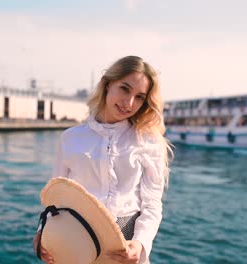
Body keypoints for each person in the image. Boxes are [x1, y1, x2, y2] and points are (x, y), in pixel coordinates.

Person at [34, 55, 172, 264]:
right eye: (125, 89)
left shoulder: (148, 141)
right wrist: (43, 231)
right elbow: (56, 196)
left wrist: (140, 243)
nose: (129, 103)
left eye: (140, 97)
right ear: (107, 84)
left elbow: (152, 204)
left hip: (125, 247)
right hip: (76, 241)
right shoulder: (70, 138)